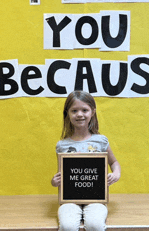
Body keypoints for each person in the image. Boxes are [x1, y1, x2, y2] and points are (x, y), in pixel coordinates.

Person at [51, 90, 121, 231]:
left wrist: (116, 173)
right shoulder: (62, 145)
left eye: (84, 110)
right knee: (67, 226)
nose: (80, 114)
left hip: (96, 199)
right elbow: (64, 174)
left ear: (92, 112)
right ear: (67, 113)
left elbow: (114, 162)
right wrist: (54, 181)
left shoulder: (101, 141)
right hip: (70, 200)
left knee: (95, 225)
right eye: (74, 110)